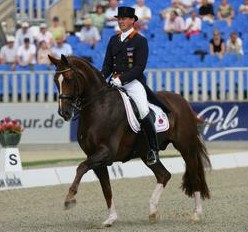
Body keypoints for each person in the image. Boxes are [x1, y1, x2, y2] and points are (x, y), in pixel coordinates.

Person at [101, 6, 170, 165]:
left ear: (132, 20)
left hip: (133, 82)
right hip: (114, 82)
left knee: (143, 110)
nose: (121, 21)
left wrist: (122, 79)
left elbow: (139, 67)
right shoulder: (113, 40)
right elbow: (107, 66)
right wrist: (101, 79)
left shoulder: (140, 40)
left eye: (124, 19)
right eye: (119, 19)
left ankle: (153, 149)